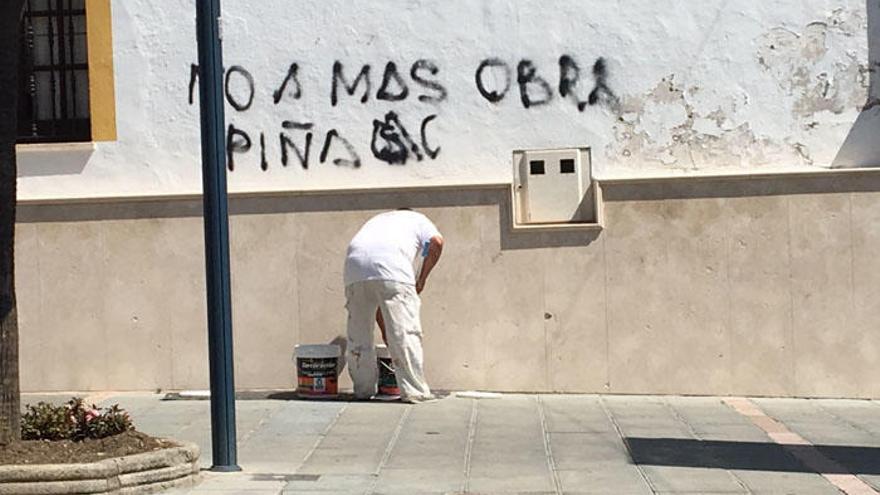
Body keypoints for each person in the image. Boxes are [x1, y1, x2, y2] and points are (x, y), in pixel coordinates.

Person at [343, 208, 444, 403]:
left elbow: (379, 299)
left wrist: (387, 332)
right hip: (393, 268)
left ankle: (363, 391)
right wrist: (422, 278)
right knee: (406, 333)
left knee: (359, 334)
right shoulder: (419, 219)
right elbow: (436, 243)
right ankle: (415, 391)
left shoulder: (378, 220)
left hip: (354, 269)